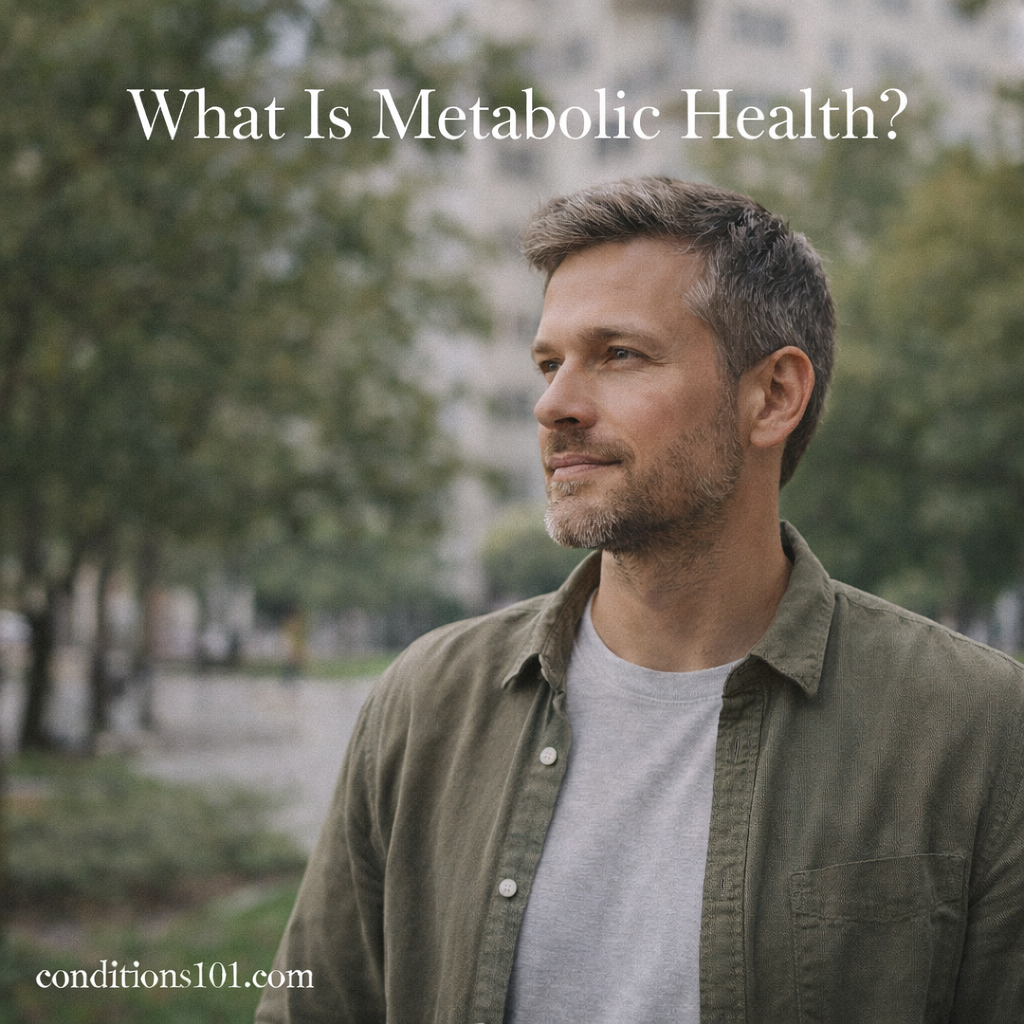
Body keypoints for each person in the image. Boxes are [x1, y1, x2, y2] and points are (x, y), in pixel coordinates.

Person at [256, 178, 1024, 1023]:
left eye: (619, 354)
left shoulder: (975, 728)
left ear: (774, 396)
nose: (553, 405)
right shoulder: (428, 700)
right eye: (549, 364)